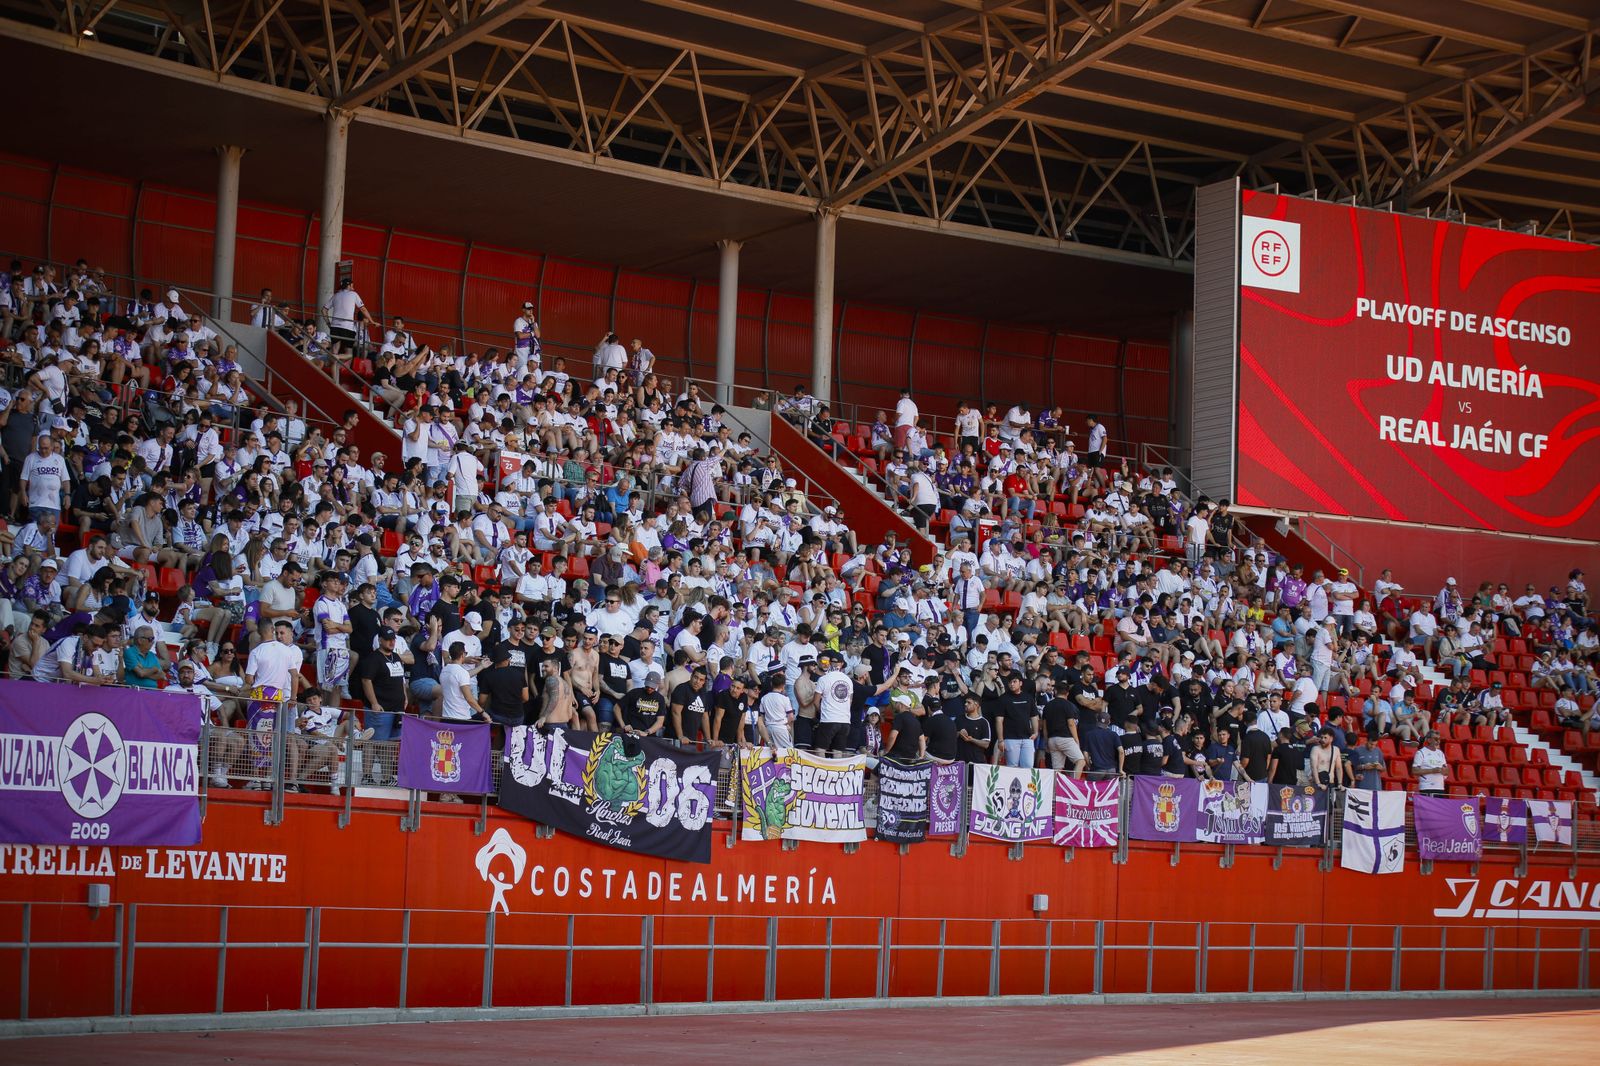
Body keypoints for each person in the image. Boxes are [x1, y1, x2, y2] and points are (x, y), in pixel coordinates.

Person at [1412, 731, 1448, 797]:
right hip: (1427, 787)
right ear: (1429, 740)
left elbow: (1446, 771)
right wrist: (1432, 770)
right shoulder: (1421, 752)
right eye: (1436, 739)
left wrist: (1443, 770)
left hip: (1440, 788)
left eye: (1439, 739)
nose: (1438, 741)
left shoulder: (1441, 753)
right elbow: (1414, 771)